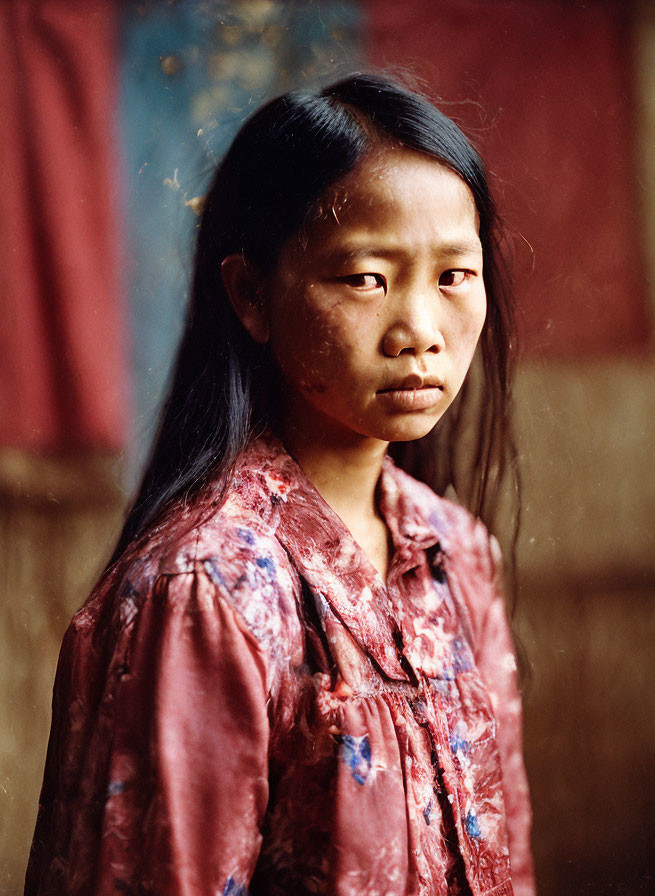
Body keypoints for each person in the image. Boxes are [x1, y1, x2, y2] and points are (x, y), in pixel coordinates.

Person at [25, 74, 534, 896]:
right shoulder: (205, 592)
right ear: (251, 295)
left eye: (453, 276)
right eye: (367, 278)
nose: (420, 332)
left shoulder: (458, 552)